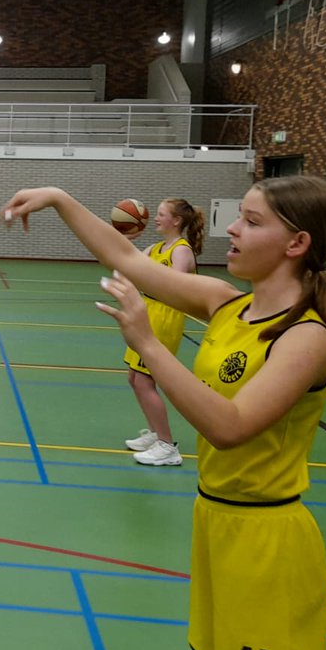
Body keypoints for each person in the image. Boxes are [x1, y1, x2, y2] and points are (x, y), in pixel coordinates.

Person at [0, 177, 326, 650]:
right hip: (213, 520)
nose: (230, 226)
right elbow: (125, 256)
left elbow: (230, 427)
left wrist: (147, 344)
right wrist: (59, 198)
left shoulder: (306, 337)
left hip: (267, 540)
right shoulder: (227, 304)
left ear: (296, 243)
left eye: (252, 221)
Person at [123, 198, 206, 466]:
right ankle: (156, 434)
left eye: (160, 214)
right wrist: (125, 235)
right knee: (135, 379)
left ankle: (168, 446)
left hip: (163, 317)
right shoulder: (157, 247)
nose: (154, 218)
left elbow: (175, 287)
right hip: (146, 314)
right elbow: (126, 260)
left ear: (177, 221)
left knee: (145, 381)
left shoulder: (181, 251)